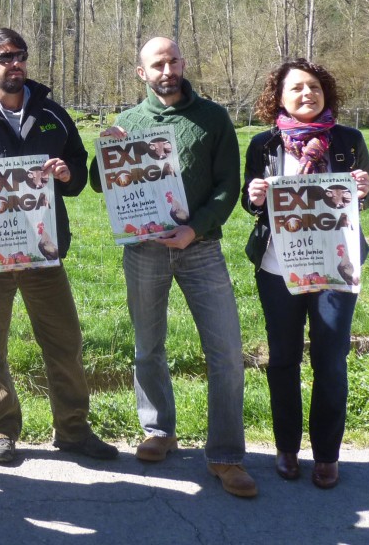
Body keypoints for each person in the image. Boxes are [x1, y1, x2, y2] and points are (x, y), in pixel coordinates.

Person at [89, 36, 255, 498]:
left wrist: (195, 229)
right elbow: (101, 185)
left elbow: (227, 187)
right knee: (148, 346)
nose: (167, 70)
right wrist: (104, 149)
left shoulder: (213, 118)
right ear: (141, 72)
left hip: (201, 248)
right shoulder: (128, 121)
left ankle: (226, 456)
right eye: (157, 64)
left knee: (225, 353)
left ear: (183, 63)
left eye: (173, 60)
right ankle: (158, 430)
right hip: (144, 249)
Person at [0, 28, 117, 465]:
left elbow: (81, 173)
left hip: (44, 251)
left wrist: (66, 174)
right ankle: (2, 431)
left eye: (20, 55)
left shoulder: (52, 113)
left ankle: (74, 431)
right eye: (4, 57)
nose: (15, 63)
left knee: (65, 342)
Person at [241, 59, 369, 489]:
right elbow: (251, 204)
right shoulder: (263, 145)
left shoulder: (348, 140)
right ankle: (286, 448)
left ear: (325, 93)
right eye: (296, 88)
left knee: (331, 361)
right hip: (279, 267)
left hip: (335, 265)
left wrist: (364, 189)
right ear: (278, 97)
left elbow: (367, 199)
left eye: (314, 87)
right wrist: (255, 194)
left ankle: (327, 454)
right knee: (282, 359)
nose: (307, 94)